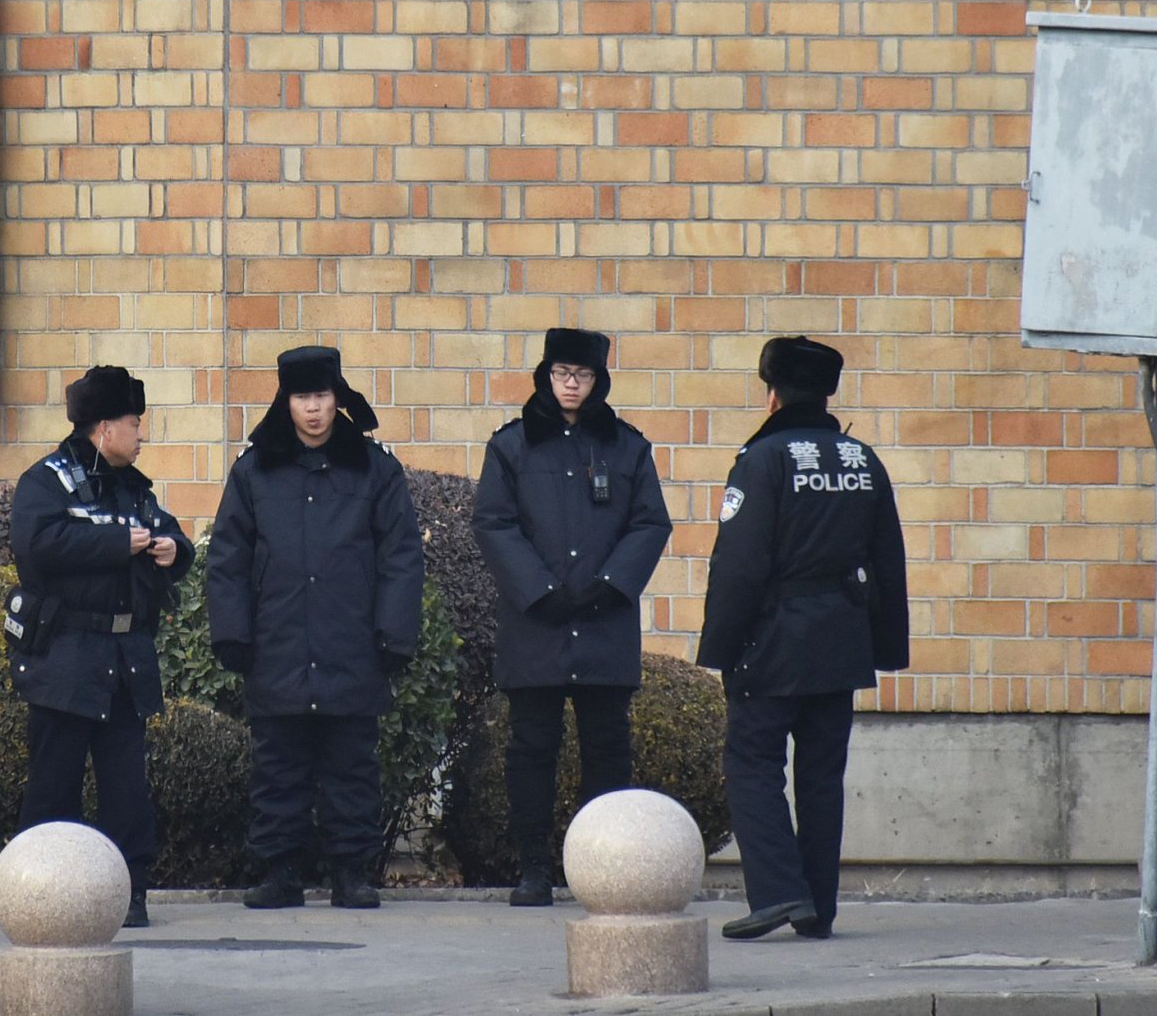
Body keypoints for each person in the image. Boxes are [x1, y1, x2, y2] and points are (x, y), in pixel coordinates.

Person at [696, 336, 908, 942]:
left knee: (752, 762)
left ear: (772, 394)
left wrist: (720, 648)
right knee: (821, 774)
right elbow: (888, 560)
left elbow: (738, 566)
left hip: (773, 640)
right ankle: (818, 904)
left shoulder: (762, 460)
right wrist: (885, 648)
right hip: (842, 642)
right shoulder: (862, 459)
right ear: (826, 393)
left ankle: (779, 894)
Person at [206, 344, 424, 910]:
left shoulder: (374, 469)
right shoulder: (254, 470)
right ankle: (280, 872)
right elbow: (228, 557)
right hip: (276, 646)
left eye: (322, 396)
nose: (313, 409)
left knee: (352, 765)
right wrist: (233, 633)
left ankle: (352, 872)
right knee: (277, 765)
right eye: (302, 396)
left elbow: (401, 556)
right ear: (287, 400)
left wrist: (394, 634)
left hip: (352, 645)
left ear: (337, 399)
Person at [472, 327, 673, 907]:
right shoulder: (511, 446)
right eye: (561, 373)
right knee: (531, 747)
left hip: (604, 624)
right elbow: (493, 522)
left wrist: (611, 586)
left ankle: (603, 867)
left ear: (598, 380)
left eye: (581, 375)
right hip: (535, 625)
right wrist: (538, 589)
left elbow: (649, 523)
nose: (570, 385)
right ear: (545, 374)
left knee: (607, 747)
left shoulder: (627, 447)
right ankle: (533, 866)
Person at [6, 364, 193, 929]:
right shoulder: (46, 481)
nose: (143, 436)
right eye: (136, 424)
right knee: (53, 785)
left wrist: (171, 550)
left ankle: (131, 892)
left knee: (126, 789)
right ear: (106, 428)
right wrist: (118, 542)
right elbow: (36, 546)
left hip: (125, 659)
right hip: (66, 657)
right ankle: (36, 891)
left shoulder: (135, 488)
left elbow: (174, 534)